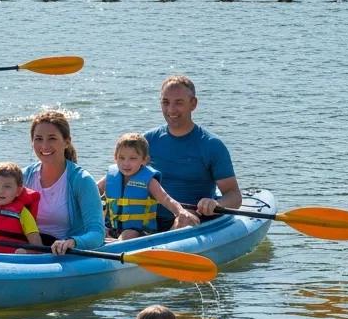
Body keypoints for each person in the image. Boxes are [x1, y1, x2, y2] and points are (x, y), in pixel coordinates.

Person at [144, 75, 242, 230]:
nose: (171, 110)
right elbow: (122, 173)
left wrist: (216, 203)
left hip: (190, 219)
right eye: (166, 102)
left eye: (179, 103)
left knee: (184, 219)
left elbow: (234, 196)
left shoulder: (211, 145)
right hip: (146, 217)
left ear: (193, 104)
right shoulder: (147, 140)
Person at [22, 111, 105, 255]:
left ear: (66, 142)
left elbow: (97, 234)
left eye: (52, 138)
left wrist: (72, 242)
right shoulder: (23, 177)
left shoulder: (82, 181)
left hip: (63, 254)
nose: (44, 145)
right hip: (26, 249)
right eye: (38, 139)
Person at [98, 132, 196, 239]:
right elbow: (93, 190)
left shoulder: (149, 181)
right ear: (115, 157)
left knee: (128, 234)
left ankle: (113, 247)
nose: (126, 163)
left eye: (133, 158)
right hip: (112, 228)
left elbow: (166, 200)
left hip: (140, 232)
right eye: (121, 158)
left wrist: (180, 211)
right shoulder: (110, 177)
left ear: (144, 160)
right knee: (98, 230)